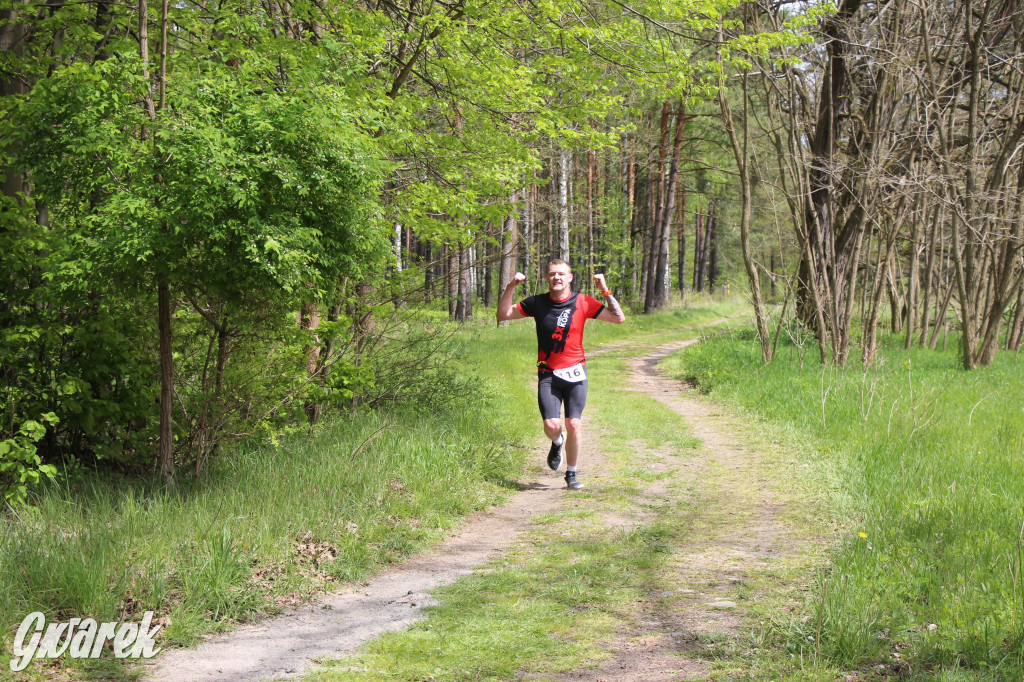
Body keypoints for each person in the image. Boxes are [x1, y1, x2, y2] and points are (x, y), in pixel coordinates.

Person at [496, 259, 626, 489]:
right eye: (552, 274)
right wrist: (510, 287)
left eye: (561, 274)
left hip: (576, 372)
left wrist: (604, 289)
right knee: (551, 425)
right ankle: (557, 441)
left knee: (573, 423)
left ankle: (572, 473)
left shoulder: (582, 302)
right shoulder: (536, 303)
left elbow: (618, 318)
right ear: (547, 278)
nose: (557, 277)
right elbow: (504, 314)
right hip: (548, 373)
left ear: (570, 277)